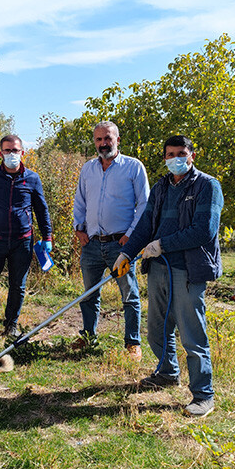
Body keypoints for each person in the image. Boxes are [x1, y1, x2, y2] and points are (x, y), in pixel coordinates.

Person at [114, 134, 224, 418]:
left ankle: (203, 395)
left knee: (191, 333)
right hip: (158, 267)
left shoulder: (207, 186)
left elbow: (204, 230)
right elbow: (146, 223)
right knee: (157, 329)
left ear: (191, 156)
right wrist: (127, 253)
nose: (175, 158)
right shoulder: (162, 186)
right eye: (170, 154)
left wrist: (163, 244)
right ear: (164, 158)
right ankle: (167, 373)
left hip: (187, 270)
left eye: (180, 153)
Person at [72, 121, 149, 358]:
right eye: (99, 139)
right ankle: (88, 338)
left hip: (121, 244)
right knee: (89, 295)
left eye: (108, 138)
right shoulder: (88, 169)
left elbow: (144, 204)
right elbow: (80, 200)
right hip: (92, 244)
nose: (103, 143)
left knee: (129, 295)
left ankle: (132, 344)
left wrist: (131, 236)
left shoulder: (133, 167)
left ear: (117, 140)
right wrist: (79, 228)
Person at [0, 134, 53, 338]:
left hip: (22, 241)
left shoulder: (32, 178)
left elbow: (42, 209)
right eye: (7, 150)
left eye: (15, 150)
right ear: (0, 153)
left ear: (22, 153)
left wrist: (47, 236)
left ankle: (11, 325)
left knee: (18, 285)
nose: (11, 154)